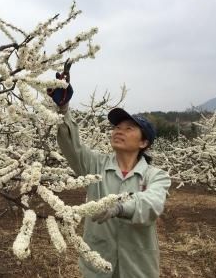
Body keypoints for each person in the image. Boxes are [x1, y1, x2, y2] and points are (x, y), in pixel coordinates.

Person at [48, 62, 171, 278]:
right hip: (97, 267)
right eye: (116, 127)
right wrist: (63, 110)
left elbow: (152, 204)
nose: (118, 131)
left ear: (144, 143)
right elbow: (71, 146)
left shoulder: (155, 176)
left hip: (137, 269)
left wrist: (119, 208)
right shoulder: (95, 165)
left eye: (128, 128)